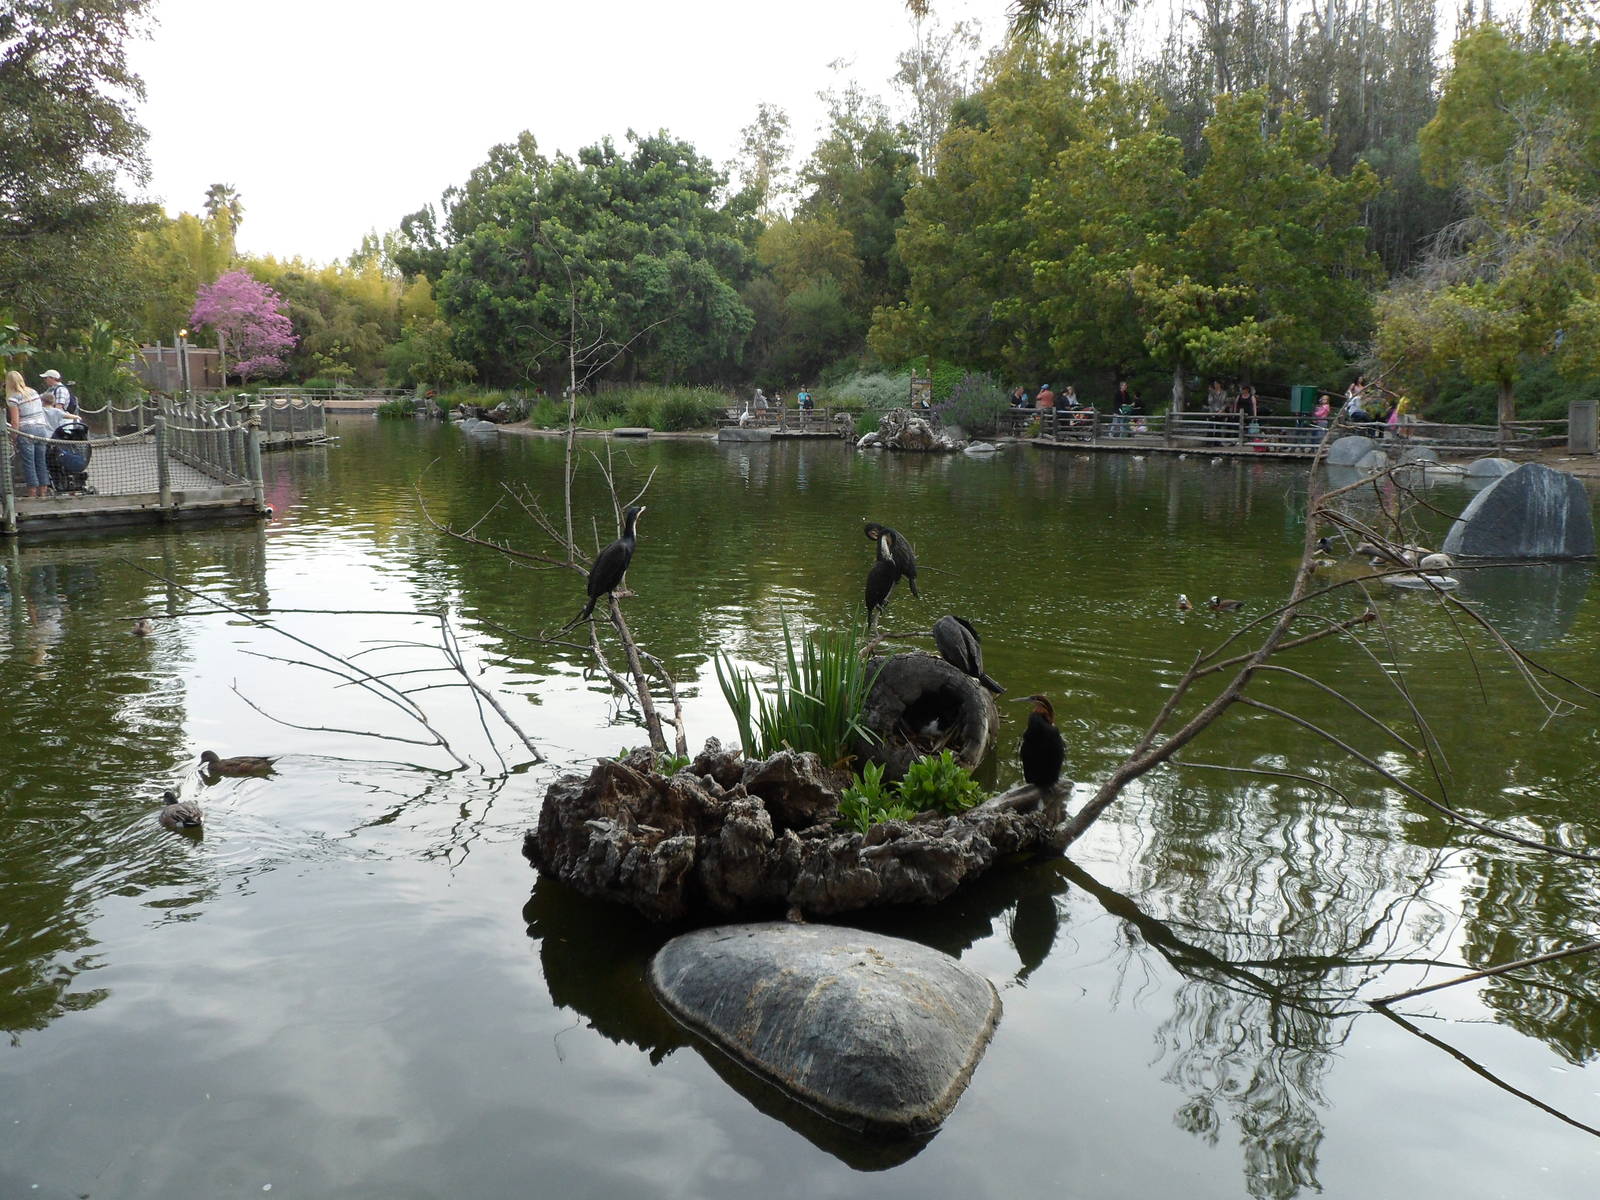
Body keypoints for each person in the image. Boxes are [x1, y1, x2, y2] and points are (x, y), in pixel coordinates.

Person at [6, 369, 52, 497]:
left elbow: (15, 421)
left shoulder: (13, 398)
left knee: (29, 463)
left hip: (27, 431)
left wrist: (14, 437)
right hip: (41, 429)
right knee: (41, 461)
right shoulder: (34, 392)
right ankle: (43, 492)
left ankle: (32, 494)